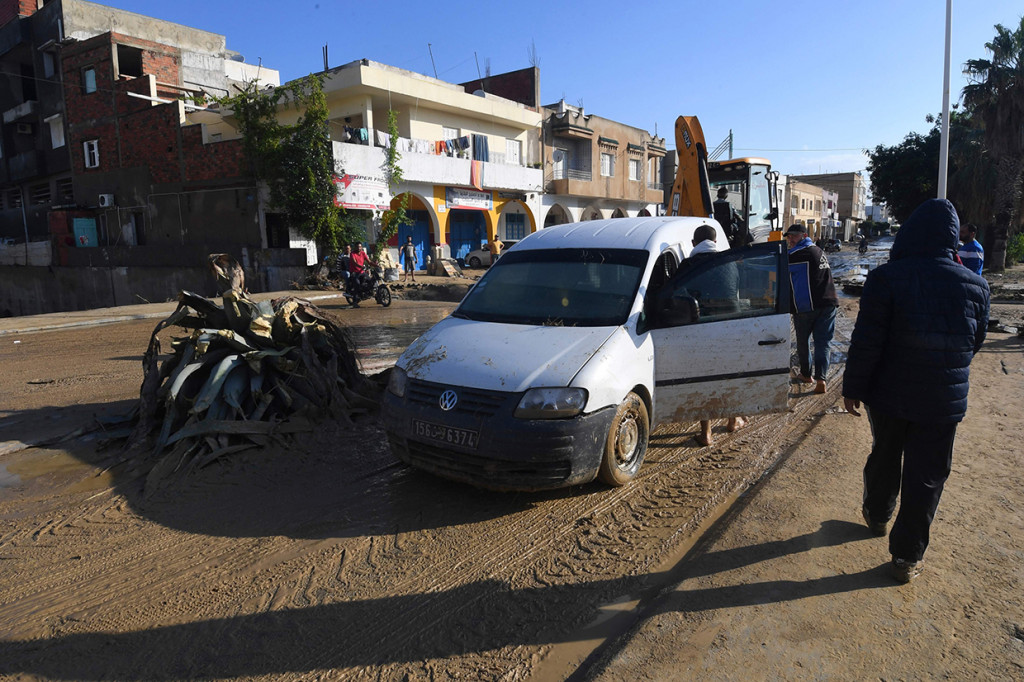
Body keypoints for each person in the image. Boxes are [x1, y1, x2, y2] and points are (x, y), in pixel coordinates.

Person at [842, 198, 989, 584]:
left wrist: (853, 388)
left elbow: (867, 342)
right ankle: (907, 557)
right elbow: (975, 341)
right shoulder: (976, 285)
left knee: (885, 455)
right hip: (943, 401)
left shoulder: (887, 278)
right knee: (927, 476)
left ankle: (877, 514)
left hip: (889, 395)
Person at [685, 224, 746, 446]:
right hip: (731, 326)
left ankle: (706, 433)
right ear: (716, 242)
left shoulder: (688, 265)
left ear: (694, 244)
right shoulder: (729, 263)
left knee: (705, 378)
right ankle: (733, 419)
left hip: (703, 328)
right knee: (731, 374)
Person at [785, 224, 838, 394]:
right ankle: (821, 379)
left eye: (794, 236)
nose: (790, 239)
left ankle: (807, 375)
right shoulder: (818, 251)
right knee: (823, 343)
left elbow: (777, 265)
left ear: (804, 235)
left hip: (807, 307)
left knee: (803, 342)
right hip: (829, 303)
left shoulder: (799, 253)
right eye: (788, 236)